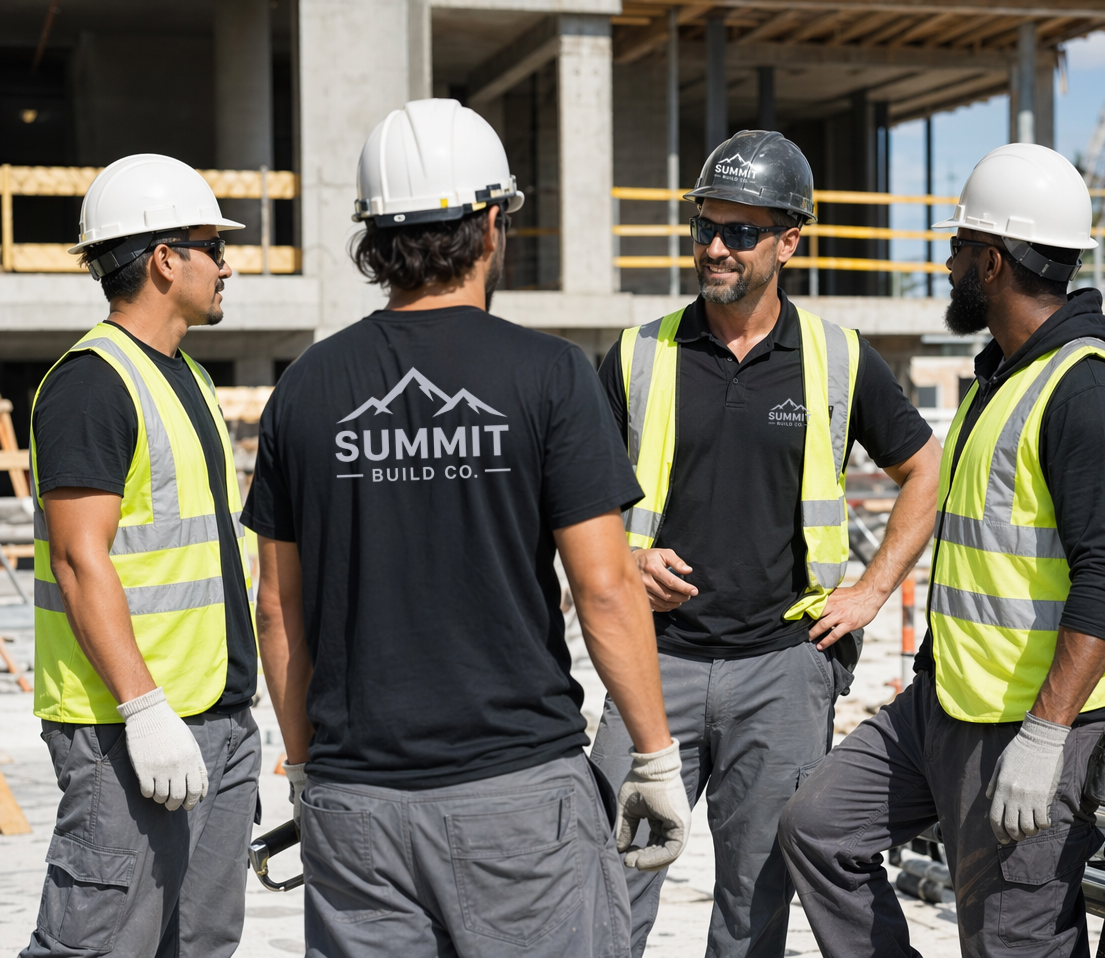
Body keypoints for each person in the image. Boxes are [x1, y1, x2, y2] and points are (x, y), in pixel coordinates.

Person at [244, 98, 689, 958]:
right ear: (491, 225)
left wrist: (303, 768)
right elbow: (602, 589)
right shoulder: (551, 375)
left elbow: (278, 607)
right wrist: (655, 757)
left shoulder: (305, 387)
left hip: (356, 802)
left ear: (373, 236)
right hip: (518, 801)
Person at [778, 143, 1105, 958]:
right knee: (817, 829)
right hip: (948, 703)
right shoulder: (1009, 373)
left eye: (956, 251)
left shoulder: (1088, 391)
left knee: (1011, 944)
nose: (946, 266)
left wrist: (1048, 735)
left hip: (1031, 727)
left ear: (991, 261)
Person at [588, 129, 941, 958]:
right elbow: (574, 503)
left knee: (754, 907)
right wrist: (627, 559)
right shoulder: (641, 356)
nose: (716, 247)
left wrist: (871, 592)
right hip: (652, 663)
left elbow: (926, 471)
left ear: (789, 241)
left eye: (740, 232)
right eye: (706, 227)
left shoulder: (837, 359)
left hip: (782, 672)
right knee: (605, 883)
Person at [22, 154, 257, 958]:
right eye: (211, 247)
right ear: (164, 259)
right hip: (130, 729)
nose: (228, 264)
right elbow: (79, 560)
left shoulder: (186, 375)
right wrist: (144, 710)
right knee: (95, 945)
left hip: (214, 715)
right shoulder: (93, 384)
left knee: (198, 942)